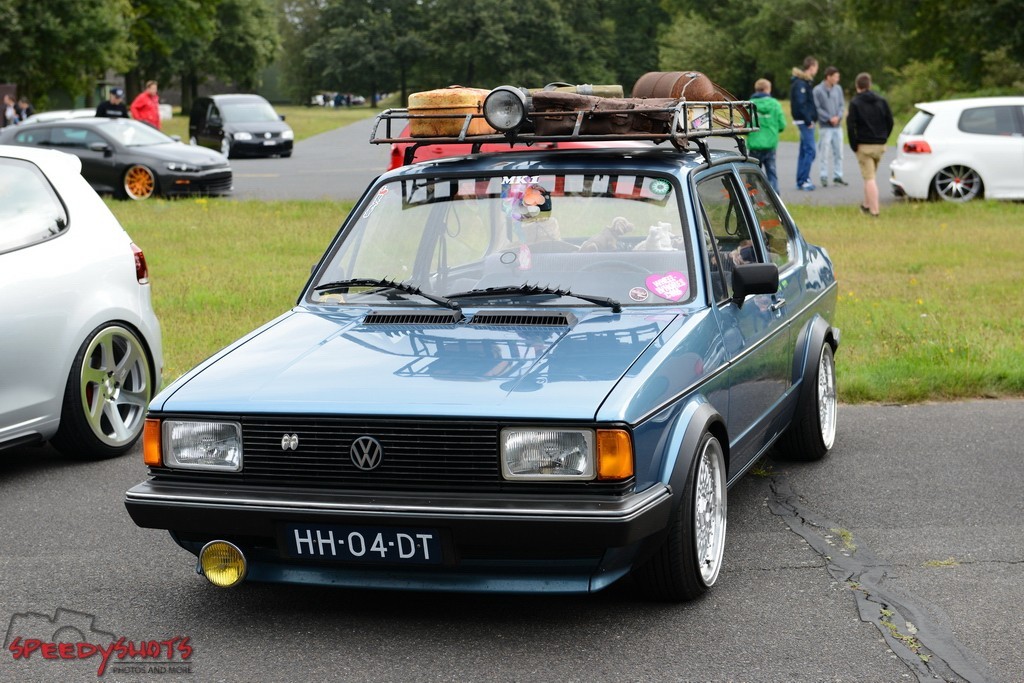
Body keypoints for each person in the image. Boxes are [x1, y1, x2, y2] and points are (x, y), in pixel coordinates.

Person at [847, 72, 894, 217]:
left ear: (857, 86)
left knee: (869, 179)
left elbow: (850, 126)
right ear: (869, 85)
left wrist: (854, 145)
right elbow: (890, 121)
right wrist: (884, 137)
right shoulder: (882, 100)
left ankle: (874, 211)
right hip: (880, 145)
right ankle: (866, 205)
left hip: (864, 145)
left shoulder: (855, 103)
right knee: (870, 176)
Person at [747, 78, 786, 194]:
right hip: (770, 145)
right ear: (768, 89)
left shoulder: (750, 104)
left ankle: (751, 198)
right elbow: (782, 125)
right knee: (772, 173)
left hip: (755, 145)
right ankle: (775, 197)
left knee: (752, 174)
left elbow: (745, 126)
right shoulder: (775, 104)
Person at [813, 66, 847, 187]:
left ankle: (838, 175)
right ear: (828, 77)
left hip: (837, 126)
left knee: (839, 152)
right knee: (824, 152)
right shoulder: (817, 90)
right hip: (825, 126)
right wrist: (828, 118)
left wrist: (838, 117)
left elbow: (842, 105)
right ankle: (823, 176)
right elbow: (817, 108)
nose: (837, 79)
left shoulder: (838, 89)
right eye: (836, 77)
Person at [790, 56, 819, 191]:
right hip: (804, 121)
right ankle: (804, 179)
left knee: (804, 151)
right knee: (810, 151)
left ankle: (801, 179)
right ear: (811, 67)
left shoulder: (805, 82)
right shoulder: (801, 84)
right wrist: (808, 120)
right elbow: (801, 104)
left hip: (805, 120)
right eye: (816, 67)